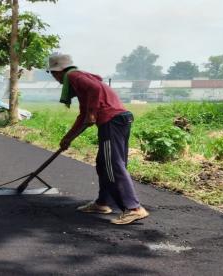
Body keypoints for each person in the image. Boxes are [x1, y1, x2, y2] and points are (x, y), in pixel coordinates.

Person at [47, 53, 149, 225]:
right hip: (119, 119)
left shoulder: (73, 76)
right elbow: (83, 116)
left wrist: (93, 113)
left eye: (52, 73)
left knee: (113, 165)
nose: (55, 77)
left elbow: (94, 94)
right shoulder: (80, 81)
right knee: (104, 163)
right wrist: (68, 138)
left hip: (112, 121)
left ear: (58, 71)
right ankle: (103, 203)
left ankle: (134, 209)